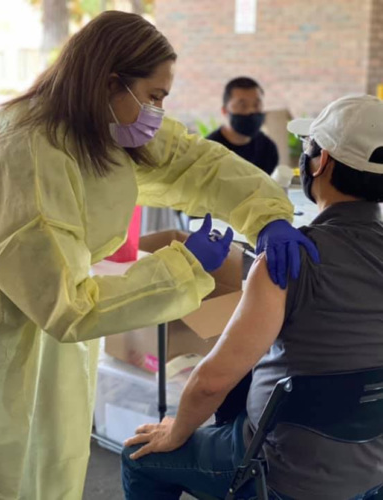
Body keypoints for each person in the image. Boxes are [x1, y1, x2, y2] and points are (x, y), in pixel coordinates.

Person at [0, 11, 320, 500]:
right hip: (14, 334)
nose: (158, 113)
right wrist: (185, 267)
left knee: (52, 462)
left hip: (54, 339)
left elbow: (195, 163)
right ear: (109, 83)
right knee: (14, 465)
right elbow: (68, 306)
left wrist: (266, 213)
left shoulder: (98, 125)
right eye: (154, 96)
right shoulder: (29, 155)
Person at [122, 94, 383, 500]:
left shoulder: (290, 260)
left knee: (140, 456)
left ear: (322, 161)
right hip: (373, 470)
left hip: (280, 471)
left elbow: (211, 382)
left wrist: (176, 430)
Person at [207, 76, 278, 176]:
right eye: (242, 106)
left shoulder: (267, 148)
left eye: (256, 105)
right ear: (225, 111)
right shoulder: (210, 151)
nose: (251, 111)